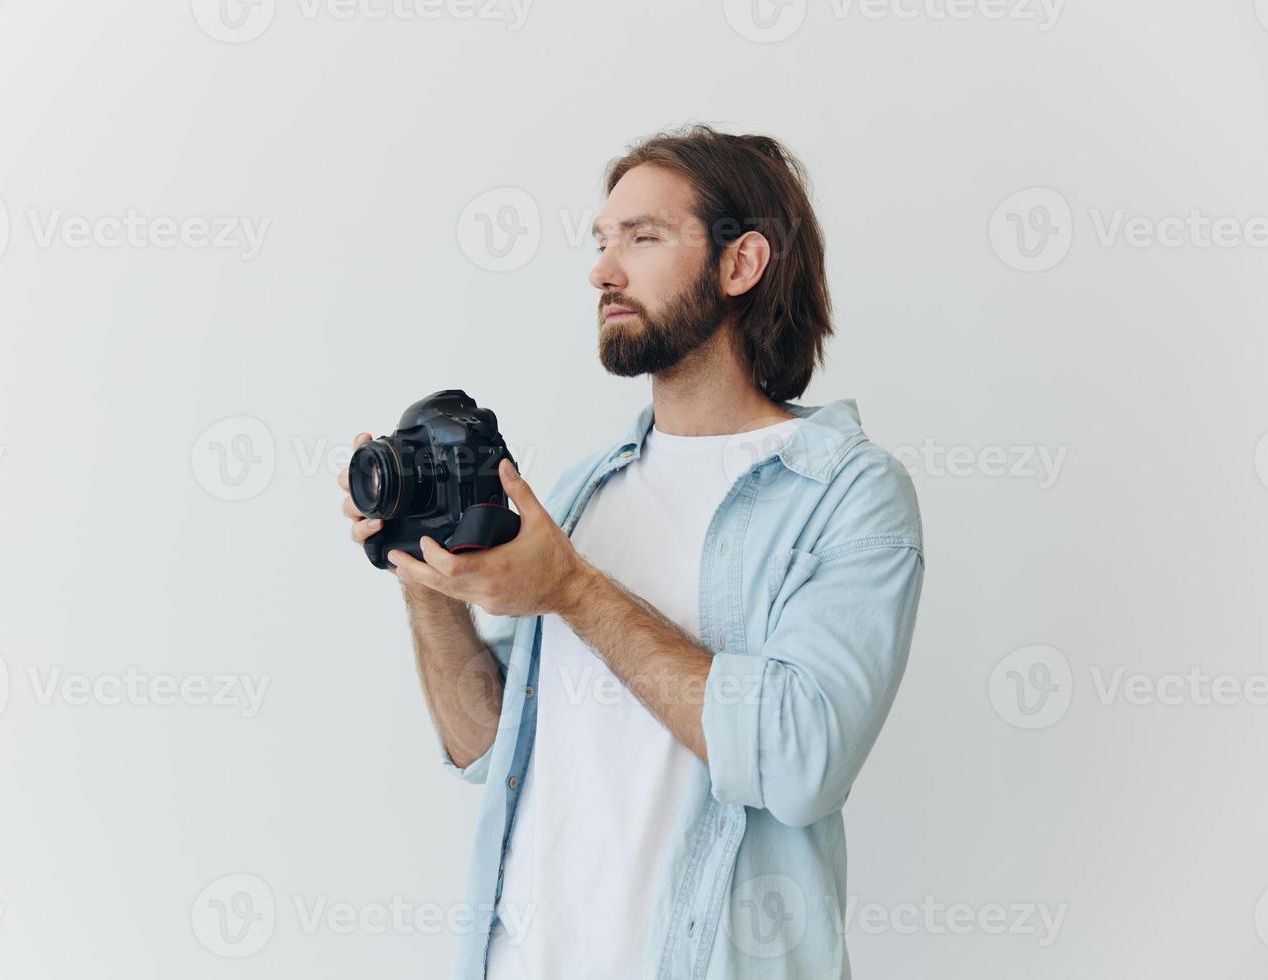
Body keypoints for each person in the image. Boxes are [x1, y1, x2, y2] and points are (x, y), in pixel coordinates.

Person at [338, 124, 925, 979]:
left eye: (642, 239)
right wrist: (420, 575)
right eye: (602, 241)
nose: (602, 271)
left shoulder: (848, 494)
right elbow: (483, 745)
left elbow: (803, 764)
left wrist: (572, 590)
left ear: (741, 263)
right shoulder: (580, 495)